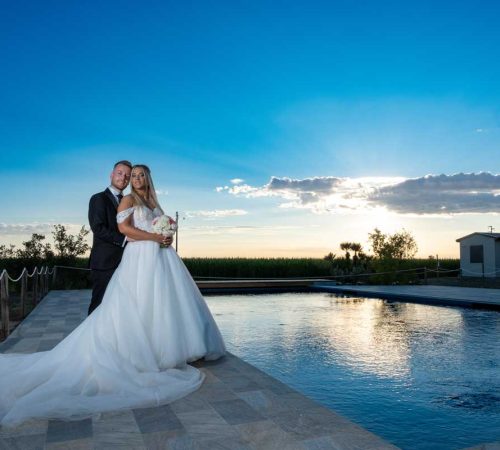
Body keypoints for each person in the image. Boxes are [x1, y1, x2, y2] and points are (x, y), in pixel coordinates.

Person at [0, 164, 226, 427]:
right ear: (114, 175)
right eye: (131, 175)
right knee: (116, 307)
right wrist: (154, 237)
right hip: (134, 258)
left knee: (159, 305)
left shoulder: (152, 201)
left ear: (147, 179)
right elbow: (122, 230)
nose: (134, 178)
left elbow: (155, 227)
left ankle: (167, 349)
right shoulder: (119, 199)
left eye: (139, 175)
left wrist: (165, 236)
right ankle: (115, 351)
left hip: (159, 260)